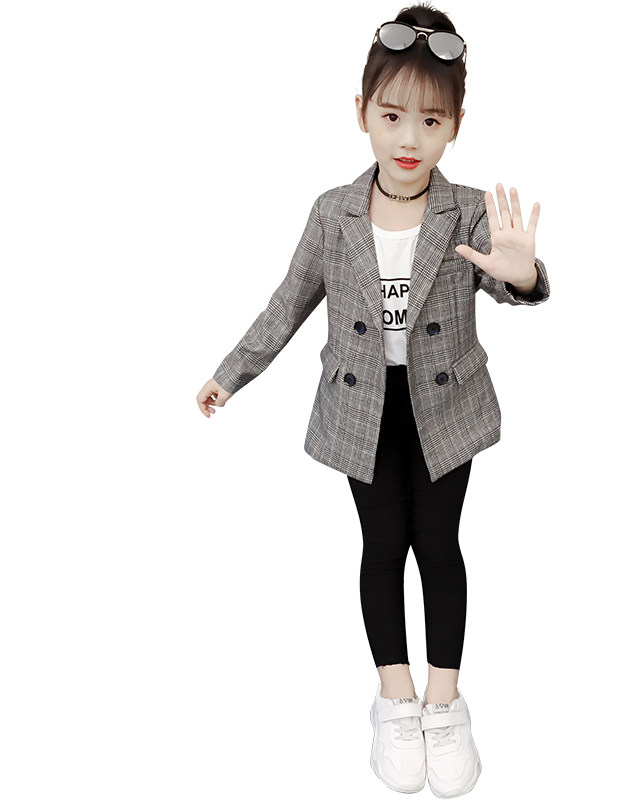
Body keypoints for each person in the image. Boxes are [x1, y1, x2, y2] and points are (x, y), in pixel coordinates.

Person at [196, 3, 550, 795]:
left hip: (445, 407)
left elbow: (510, 283)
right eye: (392, 116)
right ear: (361, 112)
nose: (409, 138)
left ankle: (444, 703)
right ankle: (395, 698)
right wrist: (233, 372)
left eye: (431, 120)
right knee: (383, 544)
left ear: (456, 125)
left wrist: (523, 273)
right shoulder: (333, 212)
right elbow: (287, 304)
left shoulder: (466, 210)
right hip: (363, 409)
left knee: (440, 544)